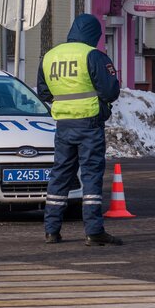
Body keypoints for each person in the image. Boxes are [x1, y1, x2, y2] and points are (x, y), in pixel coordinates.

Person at [36, 14, 122, 246]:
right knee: (91, 176)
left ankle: (51, 230)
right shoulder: (92, 55)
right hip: (90, 124)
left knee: (60, 175)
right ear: (94, 34)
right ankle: (94, 231)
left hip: (63, 125)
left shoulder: (50, 56)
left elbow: (44, 93)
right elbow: (111, 90)